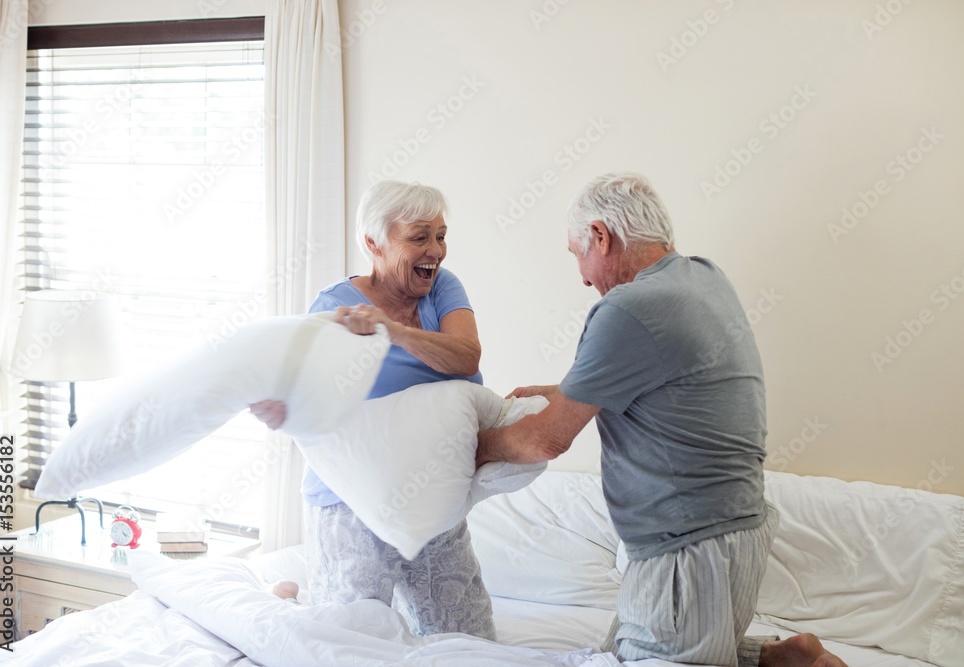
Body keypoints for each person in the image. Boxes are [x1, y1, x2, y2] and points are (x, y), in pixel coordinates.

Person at [476, 173, 847, 667]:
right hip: (738, 533)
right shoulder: (703, 277)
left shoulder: (627, 308)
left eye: (577, 254)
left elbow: (546, 441)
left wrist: (464, 446)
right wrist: (561, 394)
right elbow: (663, 387)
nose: (584, 278)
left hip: (686, 552)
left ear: (602, 237)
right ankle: (781, 660)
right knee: (635, 649)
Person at [251, 179, 495, 640]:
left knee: (471, 644)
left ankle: (292, 598)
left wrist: (393, 331)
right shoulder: (337, 307)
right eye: (419, 236)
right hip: (350, 501)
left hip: (431, 498)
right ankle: (285, 600)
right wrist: (276, 403)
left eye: (441, 236)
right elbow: (305, 391)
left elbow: (466, 357)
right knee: (350, 643)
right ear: (373, 243)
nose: (436, 251)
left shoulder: (441, 288)